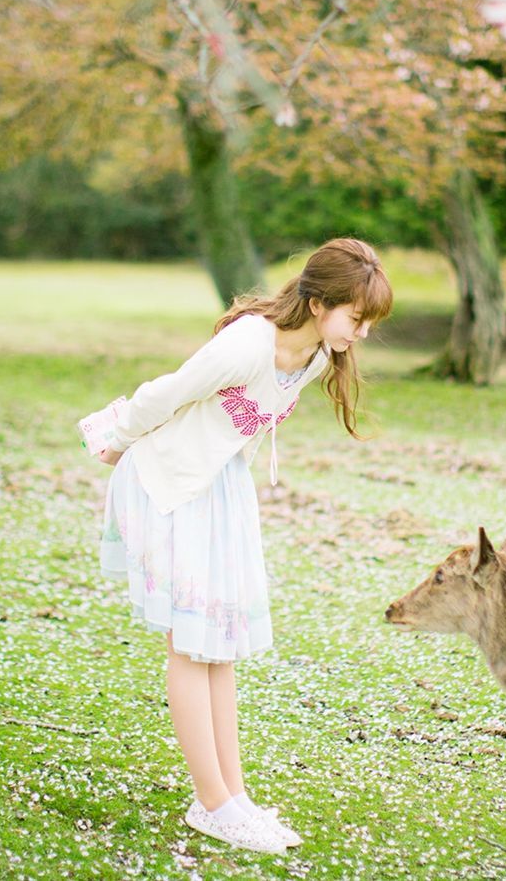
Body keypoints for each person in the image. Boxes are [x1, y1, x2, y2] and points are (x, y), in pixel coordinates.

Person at [94, 238, 393, 854]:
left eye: (367, 323)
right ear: (318, 303)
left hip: (218, 489)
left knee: (219, 644)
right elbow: (166, 393)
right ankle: (212, 805)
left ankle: (233, 797)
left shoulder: (312, 358)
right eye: (356, 318)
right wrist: (117, 441)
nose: (361, 334)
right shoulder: (245, 345)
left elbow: (242, 431)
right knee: (190, 642)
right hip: (167, 485)